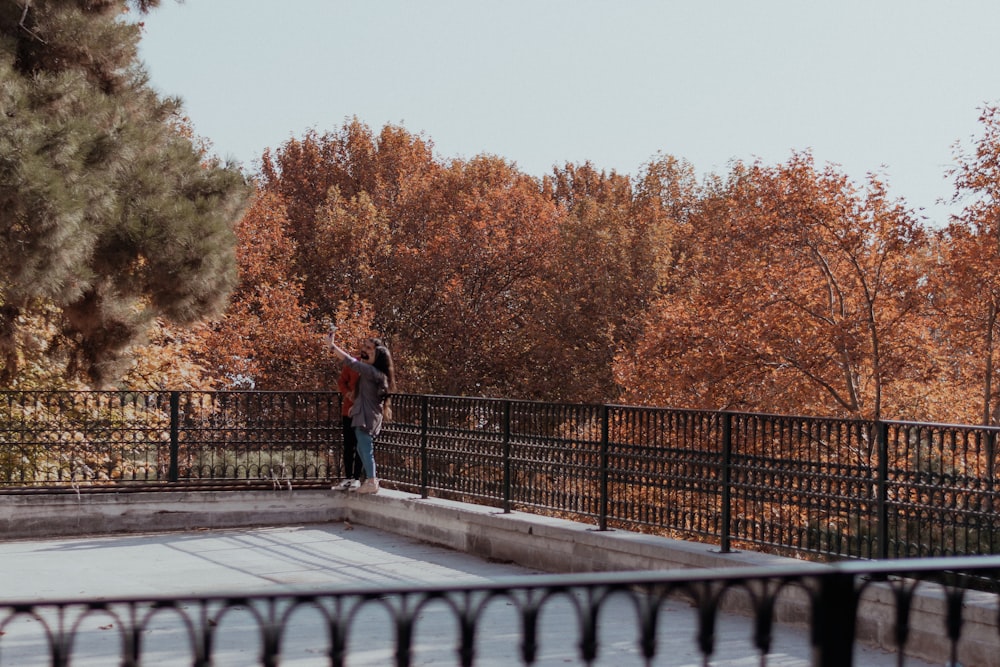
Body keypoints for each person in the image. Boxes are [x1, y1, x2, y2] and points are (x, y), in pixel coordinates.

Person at [326, 332, 396, 495]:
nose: (366, 353)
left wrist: (332, 346)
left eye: (372, 352)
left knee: (365, 447)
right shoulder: (378, 374)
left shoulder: (371, 372)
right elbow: (366, 395)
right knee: (360, 447)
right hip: (365, 414)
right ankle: (371, 480)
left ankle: (371, 480)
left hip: (366, 417)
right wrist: (355, 407)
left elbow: (350, 361)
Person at [333, 359, 362, 490]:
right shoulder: (353, 364)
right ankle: (348, 477)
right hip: (348, 411)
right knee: (348, 445)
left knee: (361, 445)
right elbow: (341, 381)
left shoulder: (373, 367)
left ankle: (357, 478)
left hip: (363, 412)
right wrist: (348, 393)